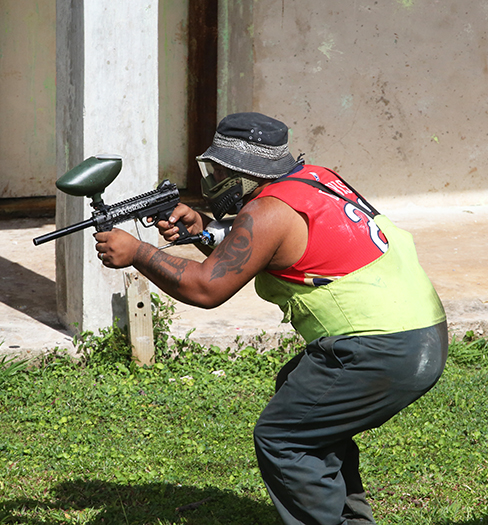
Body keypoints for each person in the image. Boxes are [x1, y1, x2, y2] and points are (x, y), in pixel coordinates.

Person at [94, 112, 448, 525]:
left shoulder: (266, 214)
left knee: (286, 438)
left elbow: (206, 289)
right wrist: (204, 231)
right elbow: (269, 248)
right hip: (420, 331)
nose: (213, 178)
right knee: (304, 402)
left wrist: (138, 252)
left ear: (244, 173)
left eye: (219, 169)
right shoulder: (315, 179)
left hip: (379, 348)